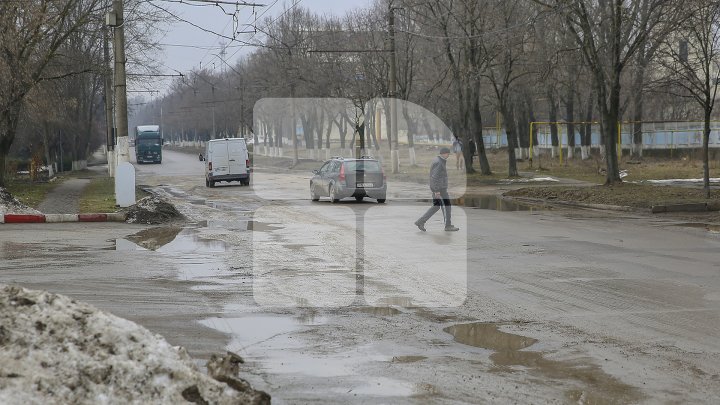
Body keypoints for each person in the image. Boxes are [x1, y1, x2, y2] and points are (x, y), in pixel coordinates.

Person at [414, 147, 460, 232]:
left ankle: (420, 221)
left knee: (436, 207)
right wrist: (436, 190)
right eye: (448, 154)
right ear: (443, 153)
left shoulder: (439, 160)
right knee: (447, 207)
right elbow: (435, 177)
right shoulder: (439, 162)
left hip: (439, 188)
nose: (448, 156)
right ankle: (448, 226)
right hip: (440, 190)